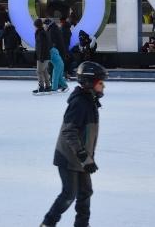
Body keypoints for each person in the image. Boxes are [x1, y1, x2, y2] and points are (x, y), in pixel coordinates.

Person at [39, 61, 107, 227]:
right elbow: (69, 132)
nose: (103, 86)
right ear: (90, 83)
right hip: (69, 157)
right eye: (101, 82)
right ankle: (47, 224)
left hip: (80, 158)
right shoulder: (80, 103)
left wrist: (87, 158)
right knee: (69, 194)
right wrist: (84, 156)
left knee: (85, 192)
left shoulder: (89, 101)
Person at [46, 19, 69, 93]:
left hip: (58, 62)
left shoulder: (52, 31)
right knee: (59, 76)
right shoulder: (56, 29)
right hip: (60, 60)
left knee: (55, 75)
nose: (45, 26)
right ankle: (64, 86)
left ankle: (54, 88)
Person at [33, 18, 52, 94]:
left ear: (37, 25)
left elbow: (42, 46)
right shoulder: (42, 32)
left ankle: (41, 87)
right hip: (44, 55)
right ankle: (48, 86)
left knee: (39, 71)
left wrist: (41, 57)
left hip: (43, 56)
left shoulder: (41, 34)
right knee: (44, 71)